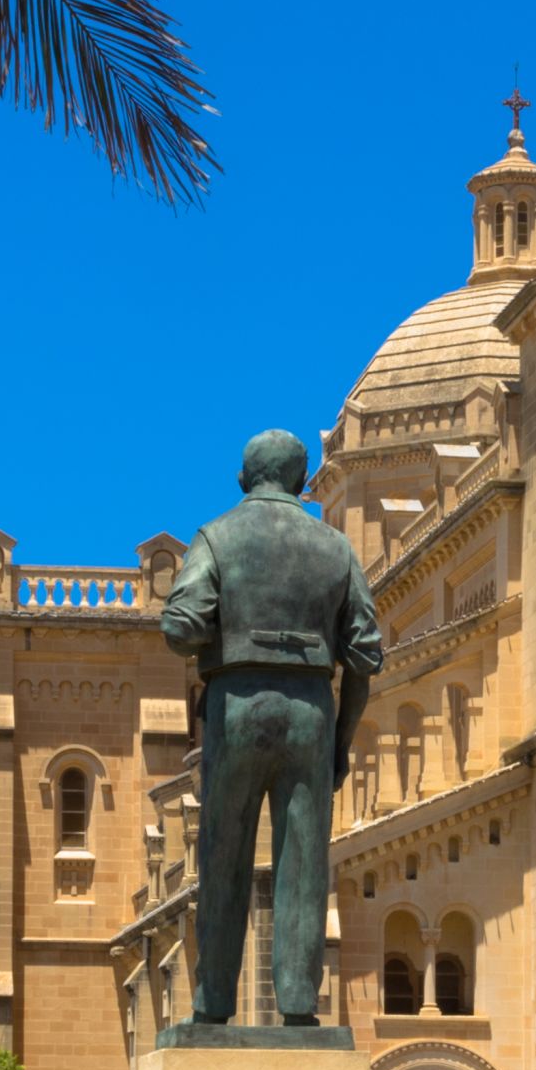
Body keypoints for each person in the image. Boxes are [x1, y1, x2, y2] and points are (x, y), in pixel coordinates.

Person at [159, 429, 386, 1024]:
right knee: (304, 864)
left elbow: (180, 627)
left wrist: (224, 626)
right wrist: (339, 742)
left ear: (244, 478)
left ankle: (212, 1003)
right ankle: (299, 1004)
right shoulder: (336, 548)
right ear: (302, 481)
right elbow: (365, 657)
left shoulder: (216, 536)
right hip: (311, 710)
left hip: (235, 705)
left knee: (222, 853)